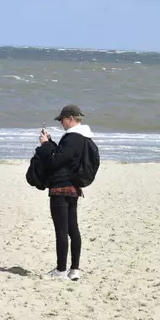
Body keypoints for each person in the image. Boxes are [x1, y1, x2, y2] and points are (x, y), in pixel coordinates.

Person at [37, 104, 98, 280]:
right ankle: (74, 270)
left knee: (62, 231)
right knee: (73, 229)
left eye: (62, 120)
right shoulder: (85, 137)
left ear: (71, 118)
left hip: (61, 188)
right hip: (74, 187)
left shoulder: (73, 137)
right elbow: (65, 157)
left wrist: (45, 145)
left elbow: (55, 161)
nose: (61, 123)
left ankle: (61, 270)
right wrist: (51, 143)